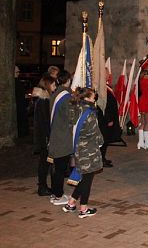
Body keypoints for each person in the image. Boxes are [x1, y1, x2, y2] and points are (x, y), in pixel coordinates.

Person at [62, 88, 104, 218]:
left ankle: (71, 203)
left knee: (85, 176)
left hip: (77, 147)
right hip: (88, 150)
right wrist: (101, 141)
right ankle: (84, 209)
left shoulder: (74, 109)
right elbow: (95, 133)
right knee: (87, 179)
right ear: (86, 98)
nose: (94, 99)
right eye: (93, 97)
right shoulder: (89, 113)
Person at [48, 70, 73, 206]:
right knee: (60, 169)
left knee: (56, 167)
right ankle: (58, 195)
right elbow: (70, 117)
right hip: (62, 137)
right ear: (68, 80)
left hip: (55, 134)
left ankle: (55, 193)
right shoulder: (66, 97)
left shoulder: (55, 93)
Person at [33, 75, 56, 196]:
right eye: (53, 85)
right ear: (47, 86)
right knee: (44, 163)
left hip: (44, 137)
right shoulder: (43, 101)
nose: (54, 87)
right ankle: (42, 187)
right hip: (44, 138)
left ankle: (43, 186)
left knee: (45, 163)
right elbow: (45, 122)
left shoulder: (44, 100)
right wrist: (48, 138)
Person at [137, 56, 148, 150]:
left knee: (142, 122)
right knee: (147, 122)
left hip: (142, 99)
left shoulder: (141, 76)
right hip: (147, 100)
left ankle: (140, 142)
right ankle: (146, 143)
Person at [15, 65, 29, 138]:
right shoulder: (16, 82)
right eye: (17, 72)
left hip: (20, 104)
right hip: (19, 105)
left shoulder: (17, 82)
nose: (18, 73)